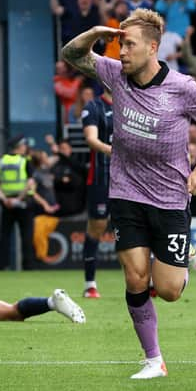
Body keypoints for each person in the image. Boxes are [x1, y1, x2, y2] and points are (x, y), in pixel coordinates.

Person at [62, 8, 196, 378]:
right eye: (120, 44)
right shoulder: (114, 75)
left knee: (168, 290)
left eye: (130, 45)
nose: (121, 51)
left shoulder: (182, 87)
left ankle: (183, 257)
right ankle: (153, 359)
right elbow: (70, 55)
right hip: (126, 193)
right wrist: (94, 32)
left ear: (153, 48)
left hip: (170, 198)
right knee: (135, 278)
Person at [81, 86, 113, 298]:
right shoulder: (94, 106)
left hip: (131, 179)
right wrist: (113, 151)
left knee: (136, 227)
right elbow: (91, 140)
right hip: (101, 178)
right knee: (97, 227)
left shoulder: (132, 103)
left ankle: (145, 283)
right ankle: (90, 284)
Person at [0, 134, 34, 270]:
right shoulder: (24, 161)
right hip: (23, 202)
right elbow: (30, 182)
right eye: (24, 145)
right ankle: (28, 266)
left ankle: (0, 266)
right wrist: (18, 199)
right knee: (26, 235)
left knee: (4, 236)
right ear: (20, 146)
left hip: (6, 203)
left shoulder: (1, 161)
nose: (26, 148)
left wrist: (4, 199)